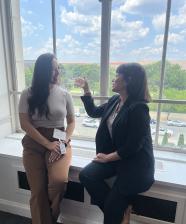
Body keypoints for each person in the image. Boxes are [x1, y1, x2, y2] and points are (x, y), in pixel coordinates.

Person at [75, 63, 155, 224]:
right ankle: (121, 210)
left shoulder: (139, 109)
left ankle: (116, 212)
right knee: (86, 175)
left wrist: (107, 158)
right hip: (117, 158)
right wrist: (86, 89)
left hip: (135, 166)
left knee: (110, 217)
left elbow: (134, 146)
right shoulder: (115, 100)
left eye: (117, 74)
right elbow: (93, 112)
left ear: (128, 80)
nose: (113, 78)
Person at [19, 53, 75, 224]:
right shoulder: (28, 93)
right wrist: (47, 144)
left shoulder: (65, 94)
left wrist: (63, 141)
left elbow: (71, 122)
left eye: (58, 68)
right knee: (38, 191)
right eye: (53, 69)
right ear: (42, 71)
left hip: (60, 140)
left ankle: (48, 219)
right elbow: (25, 124)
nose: (57, 72)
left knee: (58, 183)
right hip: (34, 142)